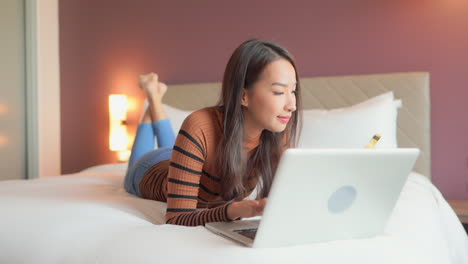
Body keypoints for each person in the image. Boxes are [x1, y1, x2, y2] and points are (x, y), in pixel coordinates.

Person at [124, 39, 302, 226]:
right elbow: (177, 218)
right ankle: (152, 101)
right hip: (149, 168)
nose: (292, 106)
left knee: (171, 146)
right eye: (279, 92)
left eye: (294, 91)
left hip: (179, 156)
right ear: (243, 96)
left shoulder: (277, 132)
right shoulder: (200, 125)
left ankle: (154, 102)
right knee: (136, 163)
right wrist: (232, 211)